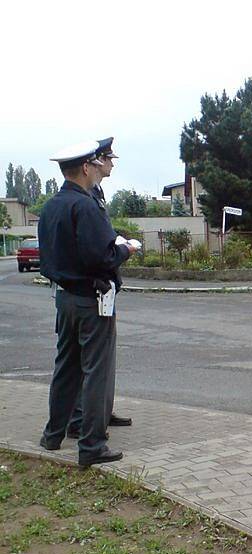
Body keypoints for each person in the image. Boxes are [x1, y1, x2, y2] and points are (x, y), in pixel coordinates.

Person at [38, 141, 139, 466]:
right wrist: (127, 250)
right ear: (85, 167)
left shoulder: (52, 206)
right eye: (97, 164)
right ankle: (92, 445)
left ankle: (53, 435)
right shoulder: (86, 206)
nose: (100, 168)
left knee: (65, 369)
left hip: (64, 297)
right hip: (91, 300)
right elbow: (102, 257)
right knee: (95, 371)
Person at [66, 137, 132, 438]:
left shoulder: (95, 192)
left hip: (97, 289)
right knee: (88, 362)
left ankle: (101, 411)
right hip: (88, 290)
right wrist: (121, 249)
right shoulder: (83, 196)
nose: (111, 164)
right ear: (91, 164)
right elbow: (92, 248)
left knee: (99, 361)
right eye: (107, 160)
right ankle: (83, 422)